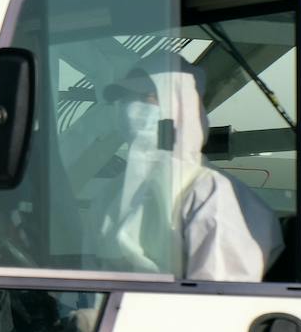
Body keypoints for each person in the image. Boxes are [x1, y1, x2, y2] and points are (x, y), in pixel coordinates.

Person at [94, 55, 285, 282]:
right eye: (127, 98)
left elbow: (218, 299)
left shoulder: (215, 195)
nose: (132, 109)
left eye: (147, 97)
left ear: (180, 108)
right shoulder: (111, 194)